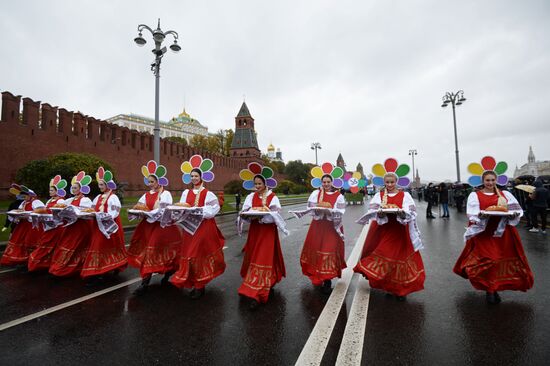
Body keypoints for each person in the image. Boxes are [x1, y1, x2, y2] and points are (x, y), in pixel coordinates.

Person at [453, 168, 534, 304]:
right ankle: (490, 289)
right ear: (483, 181)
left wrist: (514, 214)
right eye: (487, 180)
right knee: (490, 259)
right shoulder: (475, 195)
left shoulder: (505, 194)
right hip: (484, 233)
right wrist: (481, 215)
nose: (490, 183)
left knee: (499, 261)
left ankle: (493, 289)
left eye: (492, 180)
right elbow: (472, 213)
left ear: (496, 180)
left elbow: (517, 210)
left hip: (503, 233)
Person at [354, 164, 425, 301]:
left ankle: (401, 290)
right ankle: (389, 286)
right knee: (385, 256)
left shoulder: (405, 195)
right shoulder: (379, 195)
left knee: (400, 260)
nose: (390, 184)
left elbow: (412, 212)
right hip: (385, 231)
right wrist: (380, 214)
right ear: (384, 182)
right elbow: (372, 211)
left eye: (392, 182)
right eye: (387, 182)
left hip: (400, 232)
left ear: (396, 182)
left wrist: (402, 213)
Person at [170, 155, 226, 299]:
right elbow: (182, 207)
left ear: (201, 177)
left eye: (196, 175)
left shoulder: (208, 194)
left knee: (197, 255)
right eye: (192, 176)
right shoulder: (186, 192)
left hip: (203, 228)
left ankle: (200, 286)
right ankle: (194, 282)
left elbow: (214, 209)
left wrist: (200, 211)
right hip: (189, 229)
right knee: (189, 255)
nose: (194, 178)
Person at [237, 162, 287, 310]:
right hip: (255, 232)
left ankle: (258, 293)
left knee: (263, 258)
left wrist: (263, 217)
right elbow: (245, 211)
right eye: (255, 184)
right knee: (254, 257)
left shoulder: (272, 197)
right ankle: (259, 283)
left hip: (267, 232)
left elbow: (275, 215)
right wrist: (247, 215)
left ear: (265, 183)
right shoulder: (250, 196)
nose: (257, 186)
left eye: (259, 183)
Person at [128, 160, 182, 295]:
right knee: (147, 253)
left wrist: (150, 213)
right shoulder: (146, 195)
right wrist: (139, 212)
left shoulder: (165, 194)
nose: (150, 184)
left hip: (163, 228)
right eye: (149, 181)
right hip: (147, 227)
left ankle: (166, 274)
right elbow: (139, 206)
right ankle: (144, 283)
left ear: (159, 181)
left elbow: (164, 211)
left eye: (152, 181)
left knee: (157, 254)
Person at [293, 163, 346, 294]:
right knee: (317, 250)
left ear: (332, 183)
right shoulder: (316, 193)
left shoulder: (338, 196)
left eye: (328, 182)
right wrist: (318, 210)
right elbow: (311, 209)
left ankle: (327, 279)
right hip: (317, 226)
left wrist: (330, 212)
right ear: (321, 182)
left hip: (331, 227)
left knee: (328, 251)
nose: (326, 184)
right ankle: (318, 275)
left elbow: (340, 212)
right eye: (324, 182)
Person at [81, 167, 128, 283]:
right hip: (98, 227)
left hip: (109, 227)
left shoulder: (113, 197)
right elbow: (91, 209)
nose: (100, 187)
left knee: (102, 247)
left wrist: (102, 216)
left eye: (102, 185)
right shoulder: (98, 197)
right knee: (98, 247)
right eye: (99, 185)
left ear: (107, 185)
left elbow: (114, 213)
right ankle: (99, 271)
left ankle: (100, 272)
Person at [49, 172, 94, 276]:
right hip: (71, 226)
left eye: (75, 188)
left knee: (74, 246)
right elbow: (60, 206)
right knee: (65, 245)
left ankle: (70, 268)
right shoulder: (70, 199)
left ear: (81, 189)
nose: (73, 190)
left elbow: (85, 212)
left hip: (81, 227)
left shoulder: (85, 199)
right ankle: (61, 268)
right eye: (72, 188)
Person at [28, 176, 67, 271]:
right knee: (45, 244)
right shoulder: (50, 200)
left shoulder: (61, 200)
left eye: (52, 190)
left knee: (49, 244)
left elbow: (61, 213)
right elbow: (45, 210)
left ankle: (40, 263)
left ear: (57, 191)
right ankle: (42, 264)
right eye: (49, 190)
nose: (50, 192)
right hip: (48, 225)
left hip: (57, 226)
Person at [1, 184, 45, 267]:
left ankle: (32, 259)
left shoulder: (36, 202)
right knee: (19, 240)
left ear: (30, 195)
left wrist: (30, 214)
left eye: (25, 196)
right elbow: (20, 210)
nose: (24, 197)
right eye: (23, 196)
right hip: (23, 224)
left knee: (30, 241)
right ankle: (21, 258)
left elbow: (41, 210)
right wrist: (18, 214)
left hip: (33, 225)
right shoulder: (24, 202)